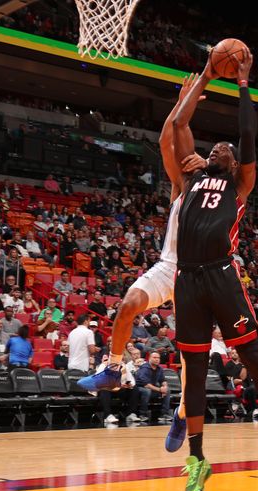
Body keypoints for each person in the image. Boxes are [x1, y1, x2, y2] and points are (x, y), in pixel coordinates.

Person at [169, 52, 258, 491]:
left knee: (253, 359)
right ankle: (197, 458)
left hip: (222, 276)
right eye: (216, 147)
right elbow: (176, 129)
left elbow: (247, 135)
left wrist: (243, 83)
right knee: (194, 371)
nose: (220, 147)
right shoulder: (187, 180)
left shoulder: (239, 184)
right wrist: (205, 77)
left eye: (226, 149)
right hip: (187, 279)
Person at [77, 74, 208, 393]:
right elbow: (168, 141)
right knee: (127, 305)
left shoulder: (218, 195)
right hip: (168, 267)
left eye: (198, 163)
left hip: (196, 276)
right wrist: (180, 105)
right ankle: (112, 368)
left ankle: (183, 412)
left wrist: (211, 165)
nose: (189, 163)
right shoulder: (181, 185)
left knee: (190, 352)